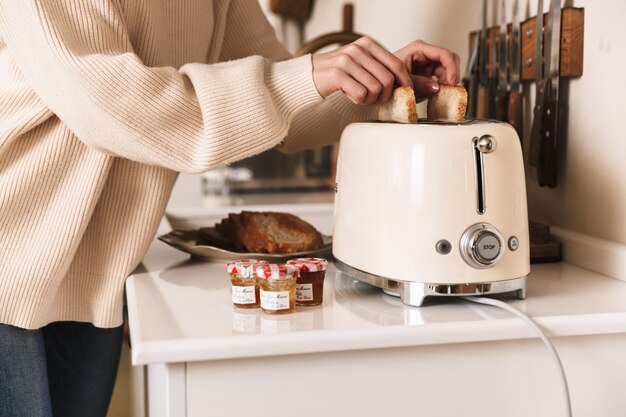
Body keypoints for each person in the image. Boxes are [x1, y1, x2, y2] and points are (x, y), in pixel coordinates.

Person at [0, 1, 460, 416]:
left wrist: (375, 81)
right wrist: (305, 76)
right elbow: (116, 104)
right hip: (10, 258)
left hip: (96, 277)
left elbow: (289, 107)